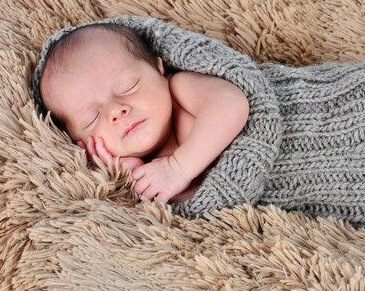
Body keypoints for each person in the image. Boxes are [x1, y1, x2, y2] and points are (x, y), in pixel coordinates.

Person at [38, 23, 249, 204]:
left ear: (158, 69)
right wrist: (132, 177)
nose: (116, 111)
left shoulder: (179, 91)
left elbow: (231, 104)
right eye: (91, 118)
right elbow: (209, 205)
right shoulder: (142, 174)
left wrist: (179, 168)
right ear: (79, 142)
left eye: (128, 87)